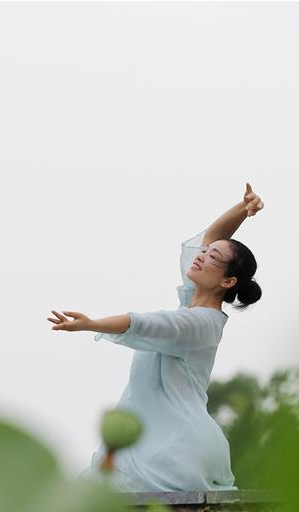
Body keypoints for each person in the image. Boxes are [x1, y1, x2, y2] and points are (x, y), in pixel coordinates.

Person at [48, 183, 264, 492]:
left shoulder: (201, 324)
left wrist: (92, 323)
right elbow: (212, 236)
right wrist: (243, 209)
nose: (202, 255)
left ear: (227, 280)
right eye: (205, 252)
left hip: (172, 449)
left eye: (212, 257)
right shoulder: (193, 302)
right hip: (156, 438)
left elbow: (146, 324)